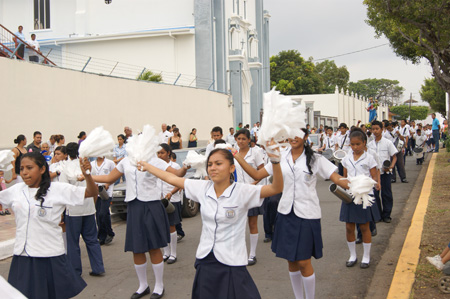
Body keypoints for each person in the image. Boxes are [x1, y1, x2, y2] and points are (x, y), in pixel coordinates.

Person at [138, 146, 283, 299]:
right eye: (210, 164)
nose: (212, 168)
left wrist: (275, 161)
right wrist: (148, 166)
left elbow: (276, 187)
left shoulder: (243, 191)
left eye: (218, 163)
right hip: (206, 259)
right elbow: (172, 178)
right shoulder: (202, 188)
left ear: (231, 168)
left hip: (232, 263)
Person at [233, 129, 349, 299]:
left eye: (298, 134)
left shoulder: (315, 158)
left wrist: (358, 184)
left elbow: (337, 179)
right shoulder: (280, 155)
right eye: (291, 134)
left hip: (307, 215)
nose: (293, 138)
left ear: (305, 137)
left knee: (303, 261)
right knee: (291, 261)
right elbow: (257, 174)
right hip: (286, 213)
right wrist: (237, 157)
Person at [0, 151, 98, 299]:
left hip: (49, 256)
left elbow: (91, 192)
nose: (24, 172)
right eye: (21, 169)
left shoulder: (57, 189)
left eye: (29, 168)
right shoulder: (16, 190)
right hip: (22, 256)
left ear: (42, 169)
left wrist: (87, 175)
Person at [92, 150, 188, 299]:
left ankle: (159, 285)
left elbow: (176, 173)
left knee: (154, 247)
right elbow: (109, 178)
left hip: (152, 205)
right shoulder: (126, 161)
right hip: (134, 207)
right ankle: (143, 285)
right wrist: (87, 176)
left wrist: (186, 167)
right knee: (137, 248)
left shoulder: (155, 160)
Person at [59, 143, 105, 277]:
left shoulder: (66, 169)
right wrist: (93, 204)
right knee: (92, 239)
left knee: (73, 242)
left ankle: (75, 270)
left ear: (66, 153)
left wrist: (62, 212)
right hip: (89, 208)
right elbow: (95, 188)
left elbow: (63, 192)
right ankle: (98, 267)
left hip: (73, 210)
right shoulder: (87, 166)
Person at [340, 129, 380, 269]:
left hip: (363, 195)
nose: (355, 147)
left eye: (358, 144)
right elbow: (344, 177)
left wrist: (367, 183)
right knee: (349, 226)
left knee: (364, 226)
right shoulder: (346, 158)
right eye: (352, 144)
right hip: (350, 195)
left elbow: (374, 176)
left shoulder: (369, 158)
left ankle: (366, 256)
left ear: (364, 143)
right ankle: (352, 255)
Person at [233, 129, 265, 266]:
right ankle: (238, 252)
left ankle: (252, 254)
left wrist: (254, 183)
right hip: (237, 192)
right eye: (238, 139)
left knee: (252, 223)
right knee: (237, 224)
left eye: (243, 139)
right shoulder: (233, 153)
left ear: (249, 140)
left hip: (251, 191)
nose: (241, 141)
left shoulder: (256, 152)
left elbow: (262, 171)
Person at [157, 144, 182, 265]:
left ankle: (173, 253)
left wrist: (171, 193)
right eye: (158, 153)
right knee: (161, 227)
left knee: (171, 226)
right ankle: (165, 252)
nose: (159, 155)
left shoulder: (175, 166)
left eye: (162, 153)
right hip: (158, 200)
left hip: (171, 199)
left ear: (168, 153)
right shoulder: (155, 166)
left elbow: (179, 183)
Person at [368, 121, 397, 224]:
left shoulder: (388, 143)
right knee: (375, 194)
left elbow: (394, 157)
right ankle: (378, 215)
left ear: (381, 129)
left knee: (386, 194)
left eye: (377, 129)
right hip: (375, 174)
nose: (375, 131)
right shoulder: (369, 144)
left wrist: (391, 167)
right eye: (373, 129)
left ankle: (387, 215)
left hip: (385, 173)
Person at [91, 156, 116, 245]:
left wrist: (108, 183)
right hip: (96, 192)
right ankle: (102, 236)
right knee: (99, 215)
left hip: (106, 192)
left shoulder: (110, 163)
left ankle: (109, 233)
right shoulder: (92, 164)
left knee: (103, 213)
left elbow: (115, 176)